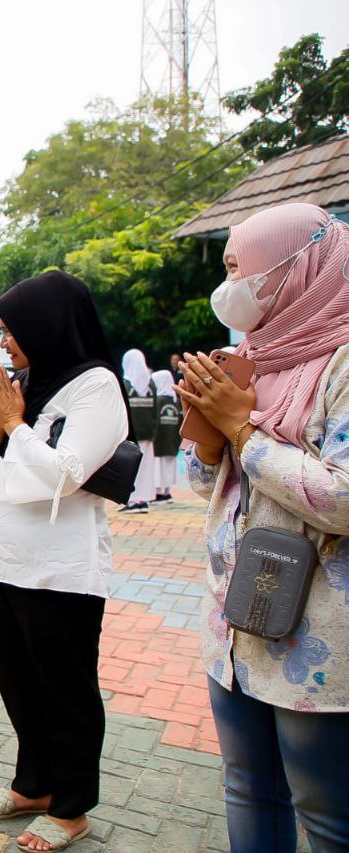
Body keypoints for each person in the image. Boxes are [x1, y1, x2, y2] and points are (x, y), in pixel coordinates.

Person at [178, 203, 349, 853]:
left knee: (327, 814)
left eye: (238, 269)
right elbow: (203, 485)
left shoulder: (342, 364)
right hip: (233, 619)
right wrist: (210, 432)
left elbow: (344, 498)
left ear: (294, 269)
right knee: (247, 785)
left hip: (316, 635)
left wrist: (244, 432)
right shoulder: (248, 357)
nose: (229, 287)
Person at [0, 271, 129, 853]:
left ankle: (72, 806)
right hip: (2, 558)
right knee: (19, 681)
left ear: (47, 327)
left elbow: (64, 474)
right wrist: (2, 425)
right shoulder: (27, 384)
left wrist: (13, 424)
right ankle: (33, 785)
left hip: (59, 568)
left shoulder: (96, 387)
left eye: (12, 331)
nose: (4, 343)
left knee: (66, 688)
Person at [119, 349, 157, 514]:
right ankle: (143, 499)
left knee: (131, 467)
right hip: (148, 432)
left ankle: (134, 500)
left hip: (131, 433)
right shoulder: (151, 384)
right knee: (146, 466)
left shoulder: (125, 384)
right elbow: (156, 408)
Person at [151, 369, 180, 503]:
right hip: (172, 440)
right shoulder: (175, 400)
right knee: (169, 467)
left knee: (157, 468)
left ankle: (158, 493)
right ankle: (167, 492)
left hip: (159, 441)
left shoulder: (158, 400)